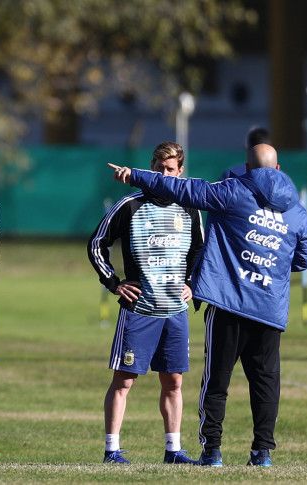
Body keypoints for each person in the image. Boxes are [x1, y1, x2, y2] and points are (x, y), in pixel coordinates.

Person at [109, 143, 307, 467]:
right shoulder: (297, 211)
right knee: (266, 383)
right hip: (269, 308)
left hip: (229, 303)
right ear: (277, 169)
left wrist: (136, 175)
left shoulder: (233, 191)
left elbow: (185, 189)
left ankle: (212, 452)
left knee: (216, 382)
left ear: (247, 168)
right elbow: (304, 258)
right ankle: (262, 453)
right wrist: (268, 264)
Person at [89, 142, 203, 465]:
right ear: (151, 168)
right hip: (140, 309)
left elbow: (199, 251)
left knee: (174, 381)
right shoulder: (130, 205)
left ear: (180, 172)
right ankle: (112, 450)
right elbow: (97, 244)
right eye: (159, 168)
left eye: (170, 170)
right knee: (124, 380)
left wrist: (192, 284)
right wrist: (114, 283)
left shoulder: (190, 208)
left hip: (175, 312)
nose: (164, 174)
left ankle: (173, 450)